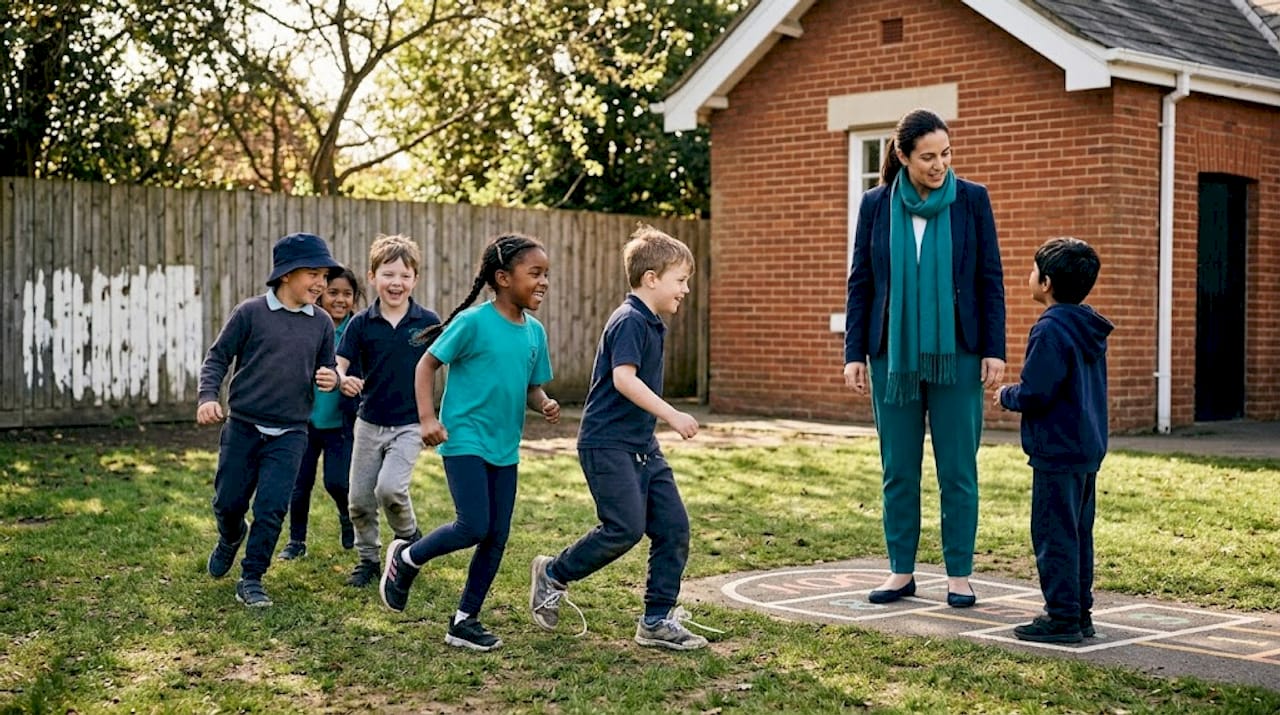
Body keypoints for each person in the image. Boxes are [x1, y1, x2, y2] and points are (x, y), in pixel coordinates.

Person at [843, 108, 1006, 607]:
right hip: (891, 355)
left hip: (957, 351)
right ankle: (901, 571)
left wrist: (994, 350)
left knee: (958, 466)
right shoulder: (875, 205)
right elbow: (862, 282)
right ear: (903, 156)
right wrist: (854, 353)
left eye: (946, 154)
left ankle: (959, 574)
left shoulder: (972, 200)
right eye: (928, 157)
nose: (940, 165)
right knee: (898, 468)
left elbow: (989, 279)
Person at [528, 225, 717, 651]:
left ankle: (656, 619)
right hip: (607, 443)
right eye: (681, 280)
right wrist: (671, 413)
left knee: (673, 528)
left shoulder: (651, 322)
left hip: (641, 447)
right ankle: (554, 573)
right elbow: (623, 379)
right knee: (624, 527)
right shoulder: (630, 320)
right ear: (651, 279)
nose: (685, 289)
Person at [378, 233, 559, 652]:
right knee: (473, 525)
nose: (544, 281)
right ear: (502, 277)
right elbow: (427, 364)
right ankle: (406, 559)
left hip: (504, 445)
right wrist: (427, 418)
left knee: (496, 535)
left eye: (546, 274)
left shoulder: (534, 333)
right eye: (535, 273)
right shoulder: (473, 322)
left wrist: (544, 403)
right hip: (463, 438)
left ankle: (464, 621)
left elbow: (532, 388)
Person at [198, 232, 342, 607]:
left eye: (325, 276)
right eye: (314, 274)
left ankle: (252, 577)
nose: (321, 284)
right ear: (286, 275)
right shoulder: (250, 313)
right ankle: (230, 536)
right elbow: (217, 358)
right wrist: (207, 397)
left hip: (292, 431)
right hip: (243, 425)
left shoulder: (322, 323)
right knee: (228, 502)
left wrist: (332, 378)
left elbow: (327, 368)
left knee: (272, 507)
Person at [996, 237, 1111, 643]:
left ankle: (1062, 618)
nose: (1028, 276)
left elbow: (1037, 391)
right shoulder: (1087, 325)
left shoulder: (1050, 329)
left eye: (1032, 270)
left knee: (1054, 535)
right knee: (1078, 533)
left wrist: (1007, 394)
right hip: (1085, 447)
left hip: (1057, 450)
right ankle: (1079, 613)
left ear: (1045, 282)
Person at [337, 235, 441, 587]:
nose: (396, 283)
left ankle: (411, 539)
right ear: (372, 277)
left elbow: (451, 363)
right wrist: (342, 379)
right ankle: (368, 560)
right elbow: (340, 363)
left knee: (391, 490)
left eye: (404, 275)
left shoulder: (428, 322)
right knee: (359, 501)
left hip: (410, 424)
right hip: (368, 424)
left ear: (415, 279)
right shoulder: (361, 324)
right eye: (388, 274)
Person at [278, 267, 365, 561]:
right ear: (321, 293)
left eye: (347, 294)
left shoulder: (358, 330)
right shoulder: (308, 324)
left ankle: (346, 516)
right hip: (305, 421)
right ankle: (296, 541)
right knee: (298, 483)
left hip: (341, 423)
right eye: (333, 292)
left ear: (355, 299)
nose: (340, 299)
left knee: (337, 482)